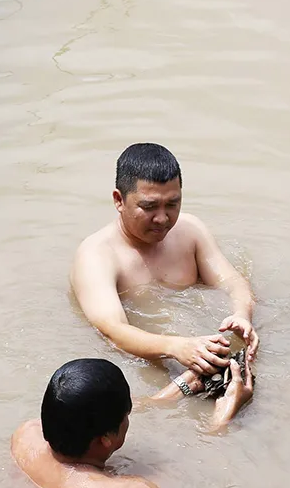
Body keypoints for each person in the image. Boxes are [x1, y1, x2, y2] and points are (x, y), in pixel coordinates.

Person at [70, 142, 259, 387]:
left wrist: (241, 316)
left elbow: (232, 282)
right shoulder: (97, 255)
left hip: (201, 349)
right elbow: (112, 330)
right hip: (151, 369)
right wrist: (175, 346)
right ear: (119, 200)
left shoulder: (190, 231)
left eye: (172, 204)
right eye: (148, 207)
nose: (162, 218)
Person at [11, 357, 253, 488]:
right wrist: (221, 420)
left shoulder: (25, 435)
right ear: (106, 439)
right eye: (127, 415)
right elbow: (196, 478)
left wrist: (181, 387)